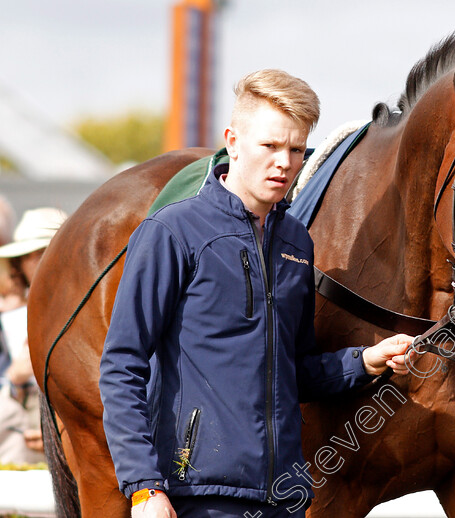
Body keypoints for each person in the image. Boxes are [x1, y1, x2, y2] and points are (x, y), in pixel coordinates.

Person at [99, 69, 414, 518]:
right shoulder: (172, 231)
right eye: (270, 146)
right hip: (194, 497)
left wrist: (364, 362)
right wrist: (144, 487)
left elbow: (294, 370)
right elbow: (120, 365)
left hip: (283, 499)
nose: (284, 162)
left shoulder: (296, 244)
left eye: (296, 149)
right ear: (234, 140)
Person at [0, 207, 68, 464]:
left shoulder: (95, 315)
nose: (38, 261)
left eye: (43, 252)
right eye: (29, 255)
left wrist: (60, 437)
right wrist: (15, 379)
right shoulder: (12, 322)